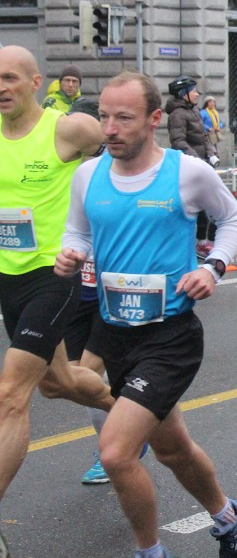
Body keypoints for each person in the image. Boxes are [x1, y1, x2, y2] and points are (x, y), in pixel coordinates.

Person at [56, 70, 237, 558]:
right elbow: (77, 232)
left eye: (124, 117)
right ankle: (230, 517)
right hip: (114, 329)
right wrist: (71, 253)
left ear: (154, 119)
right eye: (104, 116)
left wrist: (213, 267)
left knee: (116, 452)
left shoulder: (187, 172)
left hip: (170, 335)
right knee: (172, 449)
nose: (110, 128)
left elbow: (233, 218)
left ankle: (150, 553)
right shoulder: (88, 174)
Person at [0, 46, 116, 553]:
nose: (0, 87)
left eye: (8, 78)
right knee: (58, 383)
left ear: (34, 82)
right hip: (9, 275)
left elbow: (130, 151)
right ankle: (138, 412)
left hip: (56, 272)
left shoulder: (68, 129)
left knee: (11, 393)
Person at [166, 76, 217, 255]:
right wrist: (197, 160)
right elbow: (178, 141)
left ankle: (201, 242)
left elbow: (204, 137)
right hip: (188, 167)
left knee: (203, 205)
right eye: (194, 91)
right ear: (183, 94)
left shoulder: (193, 110)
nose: (197, 94)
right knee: (190, 206)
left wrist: (211, 153)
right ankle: (189, 244)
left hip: (200, 165)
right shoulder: (178, 114)